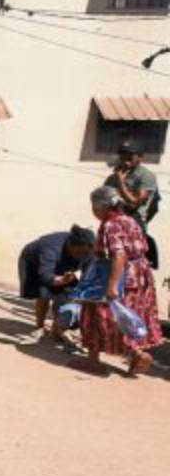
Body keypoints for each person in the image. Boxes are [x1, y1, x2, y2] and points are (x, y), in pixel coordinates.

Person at [75, 186, 163, 376]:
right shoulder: (130, 221)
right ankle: (137, 353)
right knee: (126, 316)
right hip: (140, 276)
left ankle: (92, 361)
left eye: (93, 206)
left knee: (95, 314)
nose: (93, 211)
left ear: (103, 206)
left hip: (119, 275)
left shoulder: (110, 224)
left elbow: (119, 255)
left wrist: (112, 286)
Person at [18, 226, 94, 339]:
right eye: (79, 252)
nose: (82, 256)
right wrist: (62, 280)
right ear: (70, 246)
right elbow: (45, 276)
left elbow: (87, 276)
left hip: (61, 265)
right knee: (43, 293)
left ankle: (56, 330)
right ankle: (39, 326)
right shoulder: (51, 247)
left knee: (66, 293)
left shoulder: (88, 251)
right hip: (34, 262)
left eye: (86, 253)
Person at [104, 140, 159, 268]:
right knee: (113, 263)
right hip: (114, 224)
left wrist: (121, 183)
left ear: (140, 157)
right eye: (122, 154)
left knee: (133, 264)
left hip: (134, 225)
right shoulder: (113, 177)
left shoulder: (146, 176)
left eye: (130, 155)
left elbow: (134, 203)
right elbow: (104, 200)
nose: (125, 158)